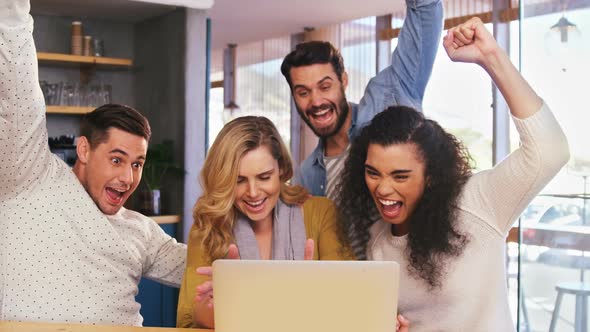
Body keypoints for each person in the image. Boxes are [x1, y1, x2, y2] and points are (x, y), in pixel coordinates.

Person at [335, 18, 570, 331]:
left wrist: (491, 58)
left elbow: (550, 150)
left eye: (400, 176)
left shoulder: (478, 202)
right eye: (373, 172)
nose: (382, 188)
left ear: (430, 175)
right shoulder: (378, 241)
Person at [0, 0, 186, 326]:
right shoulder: (30, 176)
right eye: (116, 159)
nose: (128, 177)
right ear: (83, 150)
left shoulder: (141, 231)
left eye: (137, 163)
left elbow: (202, 266)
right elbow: (18, 90)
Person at [176, 116, 355, 329]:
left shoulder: (320, 213)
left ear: (281, 169)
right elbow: (189, 319)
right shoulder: (208, 225)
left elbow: (348, 305)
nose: (252, 193)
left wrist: (244, 304)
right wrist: (220, 303)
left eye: (264, 177)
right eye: (239, 180)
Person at [280, 0, 443, 203]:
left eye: (325, 86)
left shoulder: (388, 98)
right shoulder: (306, 177)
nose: (316, 101)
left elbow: (425, 9)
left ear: (344, 81)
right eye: (303, 92)